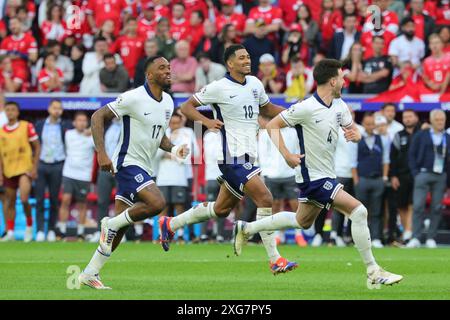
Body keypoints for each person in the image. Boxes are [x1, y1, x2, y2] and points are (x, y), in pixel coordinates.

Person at [233, 59, 403, 288]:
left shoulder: (340, 105)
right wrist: (287, 155)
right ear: (333, 81)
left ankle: (247, 227)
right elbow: (272, 125)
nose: (344, 81)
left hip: (327, 174)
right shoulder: (305, 108)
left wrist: (356, 135)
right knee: (359, 211)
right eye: (342, 77)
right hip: (313, 177)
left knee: (301, 221)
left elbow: (353, 130)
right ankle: (373, 270)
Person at [159, 44, 298, 275]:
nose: (247, 60)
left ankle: (170, 224)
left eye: (248, 56)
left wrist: (294, 113)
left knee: (221, 209)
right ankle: (274, 259)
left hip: (249, 156)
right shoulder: (218, 87)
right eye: (242, 58)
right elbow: (186, 106)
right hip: (231, 156)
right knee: (265, 197)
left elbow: (268, 108)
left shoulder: (255, 84)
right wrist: (206, 122)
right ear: (230, 64)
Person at [78, 56, 189, 289]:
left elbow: (160, 137)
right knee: (157, 203)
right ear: (149, 75)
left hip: (145, 166)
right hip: (127, 163)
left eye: (169, 67)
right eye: (162, 68)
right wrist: (102, 153)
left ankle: (90, 273)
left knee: (120, 226)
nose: (168, 70)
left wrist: (175, 148)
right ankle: (109, 224)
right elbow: (98, 116)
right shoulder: (133, 97)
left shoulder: (168, 101)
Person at [258, 116, 306, 247]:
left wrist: (298, 169)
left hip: (291, 173)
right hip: (271, 175)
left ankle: (298, 235)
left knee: (296, 204)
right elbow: (262, 154)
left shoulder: (292, 132)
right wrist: (264, 174)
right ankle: (279, 235)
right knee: (276, 206)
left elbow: (298, 150)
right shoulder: (265, 133)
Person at [407, 110, 449, 249]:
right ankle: (416, 237)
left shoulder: (447, 137)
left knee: (437, 207)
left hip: (440, 175)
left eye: (442, 119)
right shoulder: (421, 135)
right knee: (418, 206)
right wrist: (415, 173)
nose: (440, 122)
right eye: (437, 120)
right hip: (423, 174)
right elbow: (411, 154)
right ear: (431, 121)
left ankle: (431, 237)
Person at [0, 101, 40, 242]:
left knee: (24, 199)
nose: (10, 112)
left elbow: (37, 146)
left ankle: (29, 226)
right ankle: (9, 232)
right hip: (8, 171)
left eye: (13, 110)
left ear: (17, 112)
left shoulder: (26, 126)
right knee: (9, 201)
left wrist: (34, 167)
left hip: (24, 169)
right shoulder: (1, 131)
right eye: (8, 110)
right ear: (5, 112)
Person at [34, 99, 72, 242]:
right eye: (54, 108)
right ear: (49, 108)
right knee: (39, 199)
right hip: (42, 164)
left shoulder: (66, 125)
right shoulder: (39, 125)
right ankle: (39, 230)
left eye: (59, 108)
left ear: (61, 111)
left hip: (58, 164)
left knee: (54, 199)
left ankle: (51, 229)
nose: (57, 110)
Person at [57, 112, 95, 241]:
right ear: (74, 122)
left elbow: (100, 145)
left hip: (84, 176)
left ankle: (80, 232)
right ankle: (61, 231)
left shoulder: (92, 138)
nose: (82, 123)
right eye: (79, 120)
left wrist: (92, 131)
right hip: (69, 173)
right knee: (65, 200)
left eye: (84, 121)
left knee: (82, 204)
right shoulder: (68, 134)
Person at [389, 109, 420, 244]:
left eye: (410, 116)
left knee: (413, 203)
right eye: (405, 117)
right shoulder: (398, 135)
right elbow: (393, 157)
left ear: (416, 118)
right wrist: (393, 175)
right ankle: (406, 231)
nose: (407, 119)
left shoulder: (422, 134)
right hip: (401, 175)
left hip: (417, 174)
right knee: (401, 205)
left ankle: (409, 232)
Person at [90, 117, 121, 243]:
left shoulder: (129, 125)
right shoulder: (105, 127)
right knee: (102, 201)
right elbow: (96, 145)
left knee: (121, 203)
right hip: (105, 168)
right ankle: (100, 231)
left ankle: (119, 233)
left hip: (121, 169)